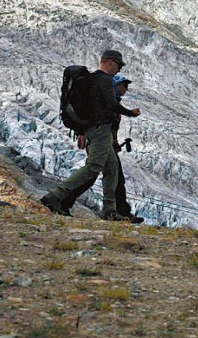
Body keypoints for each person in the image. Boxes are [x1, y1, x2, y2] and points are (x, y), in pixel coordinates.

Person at [40, 49, 141, 220]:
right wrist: (131, 112)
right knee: (93, 167)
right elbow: (112, 104)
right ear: (110, 62)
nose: (119, 70)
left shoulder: (92, 79)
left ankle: (109, 210)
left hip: (94, 129)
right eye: (118, 65)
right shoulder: (105, 80)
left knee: (111, 168)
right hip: (101, 129)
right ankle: (54, 197)